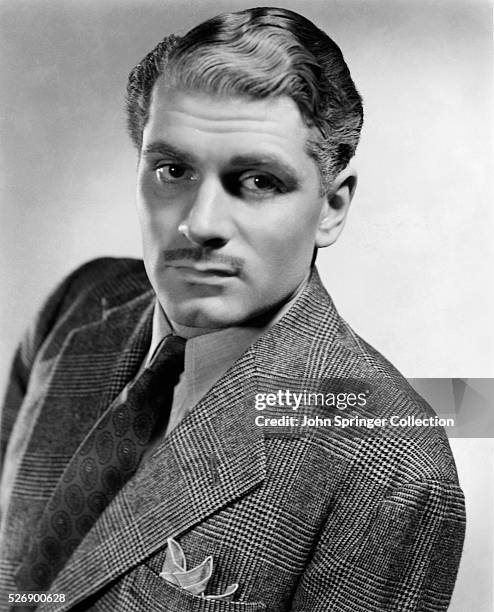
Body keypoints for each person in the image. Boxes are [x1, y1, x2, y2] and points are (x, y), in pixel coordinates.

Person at [0, 6, 465, 611]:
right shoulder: (80, 304)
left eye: (257, 181)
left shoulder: (395, 470)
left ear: (332, 207)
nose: (199, 224)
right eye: (172, 170)